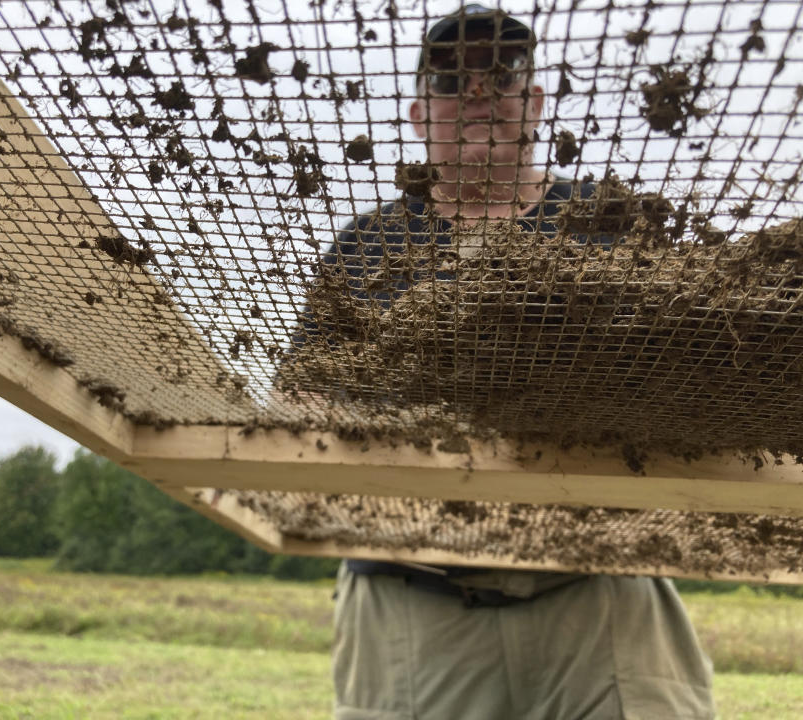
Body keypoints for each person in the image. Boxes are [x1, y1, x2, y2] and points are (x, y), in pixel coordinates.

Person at [297, 5, 716, 719]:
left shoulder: (615, 223)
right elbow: (300, 406)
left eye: (505, 72)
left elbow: (701, 382)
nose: (481, 90)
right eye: (453, 78)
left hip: (600, 591)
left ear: (537, 103)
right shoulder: (364, 249)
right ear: (418, 115)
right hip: (411, 591)